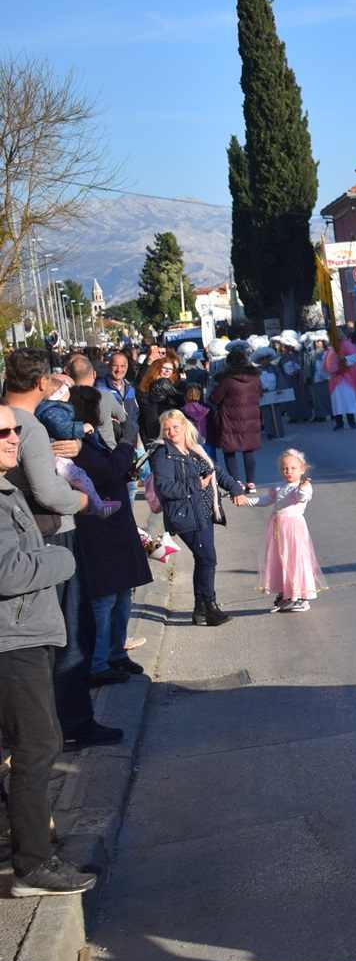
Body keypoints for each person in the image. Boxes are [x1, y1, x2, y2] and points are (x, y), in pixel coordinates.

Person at [0, 402, 99, 897]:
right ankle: (33, 867)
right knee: (37, 748)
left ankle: (18, 847)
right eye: (3, 432)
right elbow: (9, 572)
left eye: (15, 429)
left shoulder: (6, 486)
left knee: (25, 747)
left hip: (24, 633)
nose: (14, 438)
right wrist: (60, 559)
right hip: (13, 641)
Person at [66, 386, 149, 686]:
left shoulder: (90, 437)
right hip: (98, 527)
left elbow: (111, 471)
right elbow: (106, 471)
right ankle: (99, 662)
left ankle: (116, 652)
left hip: (114, 522)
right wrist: (127, 442)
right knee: (105, 599)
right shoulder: (75, 443)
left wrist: (126, 465)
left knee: (123, 593)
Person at [150, 409, 248, 626]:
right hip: (184, 514)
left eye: (176, 427)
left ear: (185, 427)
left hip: (203, 512)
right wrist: (196, 485)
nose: (172, 432)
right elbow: (164, 487)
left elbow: (216, 471)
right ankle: (209, 607)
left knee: (204, 559)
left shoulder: (195, 449)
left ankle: (201, 610)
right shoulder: (162, 453)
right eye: (167, 429)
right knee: (207, 559)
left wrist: (234, 488)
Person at [238, 448, 325, 613]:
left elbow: (302, 497)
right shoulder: (279, 487)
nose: (288, 472)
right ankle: (286, 593)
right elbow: (266, 500)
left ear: (302, 469)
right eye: (285, 468)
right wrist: (246, 501)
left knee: (295, 559)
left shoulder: (302, 487)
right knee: (280, 559)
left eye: (293, 468)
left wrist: (303, 486)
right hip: (278, 528)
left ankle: (301, 596)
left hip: (293, 529)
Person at [32, 377, 121, 519]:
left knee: (79, 477)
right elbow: (63, 428)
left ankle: (97, 504)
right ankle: (98, 506)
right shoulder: (53, 411)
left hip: (57, 455)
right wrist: (82, 427)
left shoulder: (52, 410)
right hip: (58, 457)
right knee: (79, 477)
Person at [211, 350, 263, 493]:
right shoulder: (255, 378)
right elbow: (260, 394)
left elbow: (215, 398)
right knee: (249, 450)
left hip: (230, 419)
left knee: (230, 450)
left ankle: (236, 482)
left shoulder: (227, 380)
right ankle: (251, 482)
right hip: (251, 418)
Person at [67, 354, 124, 453]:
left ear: (70, 376)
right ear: (94, 374)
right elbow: (123, 417)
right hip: (107, 451)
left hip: (79, 454)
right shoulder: (105, 396)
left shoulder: (65, 399)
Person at [324, 324, 356, 429]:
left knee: (347, 399)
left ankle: (351, 421)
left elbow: (355, 356)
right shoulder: (332, 347)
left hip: (344, 377)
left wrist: (344, 361)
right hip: (334, 379)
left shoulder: (345, 344)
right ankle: (339, 422)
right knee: (336, 401)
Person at [135, 355, 185, 447]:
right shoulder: (160, 383)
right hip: (156, 426)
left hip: (155, 427)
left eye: (170, 369)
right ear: (158, 368)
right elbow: (181, 400)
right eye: (164, 368)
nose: (167, 371)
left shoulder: (169, 383)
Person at [97, 350, 138, 450]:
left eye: (123, 366)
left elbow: (135, 415)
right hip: (109, 445)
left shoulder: (131, 388)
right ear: (108, 366)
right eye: (115, 365)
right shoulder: (100, 388)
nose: (119, 370)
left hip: (130, 440)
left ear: (127, 367)